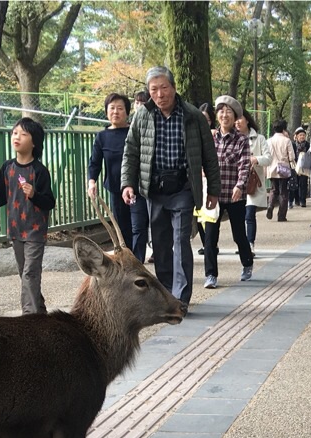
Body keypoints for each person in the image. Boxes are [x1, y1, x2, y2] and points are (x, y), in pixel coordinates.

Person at [121, 65, 219, 316]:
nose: (160, 94)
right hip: (154, 189)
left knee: (180, 241)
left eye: (164, 88)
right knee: (161, 244)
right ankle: (165, 295)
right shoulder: (142, 116)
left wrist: (213, 191)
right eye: (154, 89)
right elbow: (130, 151)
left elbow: (209, 155)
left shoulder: (192, 115)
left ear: (174, 88)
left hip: (183, 188)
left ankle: (181, 297)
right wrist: (128, 183)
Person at [0, 118, 56, 314]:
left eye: (23, 134)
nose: (17, 137)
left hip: (35, 232)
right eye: (15, 132)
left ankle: (30, 317)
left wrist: (34, 195)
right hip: (16, 230)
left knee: (30, 274)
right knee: (25, 274)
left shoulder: (39, 171)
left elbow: (49, 202)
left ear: (34, 142)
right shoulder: (7, 168)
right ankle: (39, 310)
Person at [200, 95, 254, 289]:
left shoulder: (241, 140)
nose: (225, 115)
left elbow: (244, 165)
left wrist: (240, 185)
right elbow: (201, 160)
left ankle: (247, 263)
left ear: (235, 116)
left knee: (238, 233)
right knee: (210, 236)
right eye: (221, 111)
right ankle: (211, 274)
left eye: (229, 112)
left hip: (233, 194)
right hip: (213, 194)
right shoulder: (209, 137)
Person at [87, 92, 147, 261]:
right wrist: (92, 182)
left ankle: (138, 261)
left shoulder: (135, 133)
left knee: (139, 226)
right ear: (106, 111)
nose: (116, 112)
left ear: (127, 112)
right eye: (112, 108)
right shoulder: (102, 137)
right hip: (115, 188)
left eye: (120, 108)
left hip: (138, 189)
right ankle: (127, 262)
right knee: (122, 228)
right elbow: (95, 162)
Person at [236, 111, 269, 249]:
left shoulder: (259, 139)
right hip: (235, 182)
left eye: (240, 118)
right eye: (235, 119)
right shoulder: (232, 137)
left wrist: (256, 159)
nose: (237, 122)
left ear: (247, 120)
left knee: (249, 214)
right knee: (238, 215)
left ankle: (250, 244)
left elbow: (268, 158)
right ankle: (242, 244)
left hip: (252, 183)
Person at [266, 119, 296, 222]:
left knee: (274, 189)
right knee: (283, 192)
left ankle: (270, 206)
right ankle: (281, 215)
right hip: (283, 169)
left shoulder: (268, 141)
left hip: (271, 168)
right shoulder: (287, 140)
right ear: (284, 129)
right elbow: (292, 156)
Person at [290, 126, 310, 207]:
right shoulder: (293, 145)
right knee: (295, 183)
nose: (302, 137)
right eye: (300, 135)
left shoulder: (308, 145)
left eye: (303, 135)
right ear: (297, 136)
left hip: (304, 167)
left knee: (303, 183)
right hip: (295, 166)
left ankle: (303, 201)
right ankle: (296, 200)